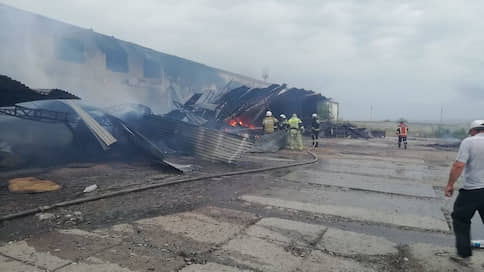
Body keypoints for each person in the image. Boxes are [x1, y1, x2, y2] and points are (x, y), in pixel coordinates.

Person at [445, 120, 484, 265]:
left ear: (473, 130)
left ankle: (464, 255)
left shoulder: (469, 142)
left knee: (460, 219)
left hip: (472, 191)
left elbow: (458, 165)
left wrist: (450, 184)